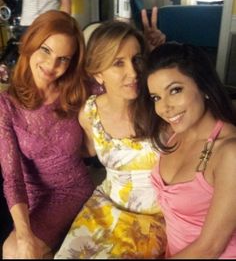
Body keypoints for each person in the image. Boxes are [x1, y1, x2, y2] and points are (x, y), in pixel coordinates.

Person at [54, 20, 167, 259]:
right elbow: (88, 150)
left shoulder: (161, 105)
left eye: (137, 59)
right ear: (97, 73)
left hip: (153, 218)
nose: (133, 72)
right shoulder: (90, 113)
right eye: (118, 63)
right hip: (105, 207)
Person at [0, 10, 94, 259]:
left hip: (73, 188)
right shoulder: (7, 104)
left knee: (12, 253)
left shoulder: (78, 89)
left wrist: (150, 52)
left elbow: (120, 82)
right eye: (46, 50)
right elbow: (12, 178)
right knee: (17, 249)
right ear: (30, 43)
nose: (52, 66)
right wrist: (24, 236)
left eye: (63, 59)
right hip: (31, 195)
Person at [136, 42, 236, 258]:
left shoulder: (230, 154)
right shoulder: (174, 131)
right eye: (156, 97)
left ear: (204, 86)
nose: (164, 107)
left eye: (175, 90)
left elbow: (210, 248)